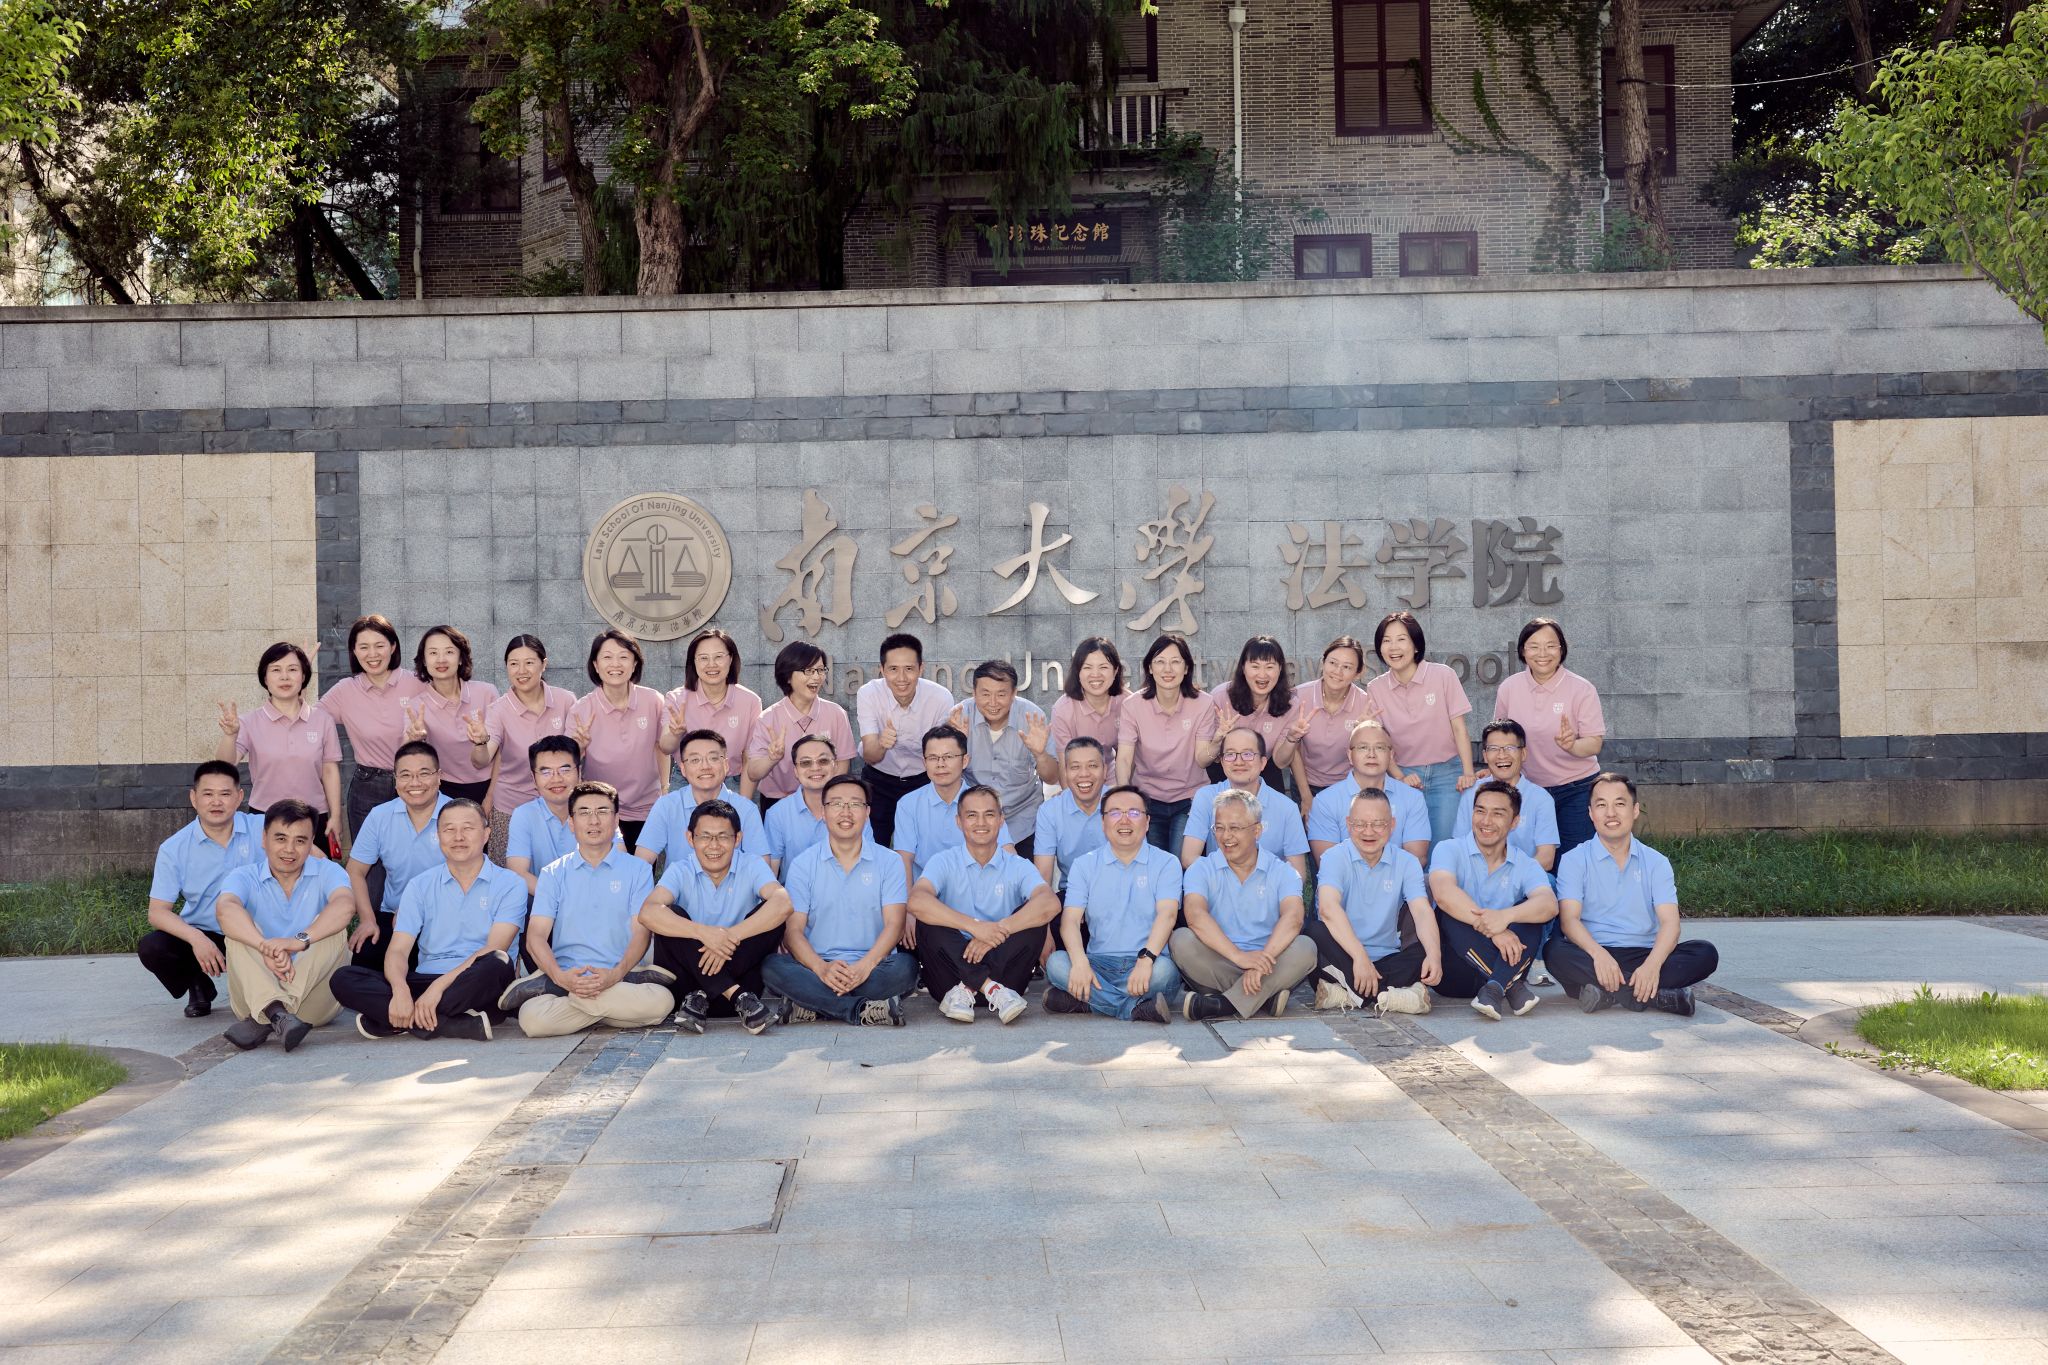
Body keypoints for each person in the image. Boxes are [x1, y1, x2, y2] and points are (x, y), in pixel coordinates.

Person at [330, 800, 524, 1041]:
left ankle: (398, 1020)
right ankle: (450, 1023)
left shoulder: (511, 884)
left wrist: (437, 989)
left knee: (497, 961)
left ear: (486, 834)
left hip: (477, 981)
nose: (458, 837)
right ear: (439, 836)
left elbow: (494, 947)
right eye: (449, 829)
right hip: (426, 979)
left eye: (468, 828)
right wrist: (400, 990)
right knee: (343, 979)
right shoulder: (420, 885)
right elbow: (398, 950)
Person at [498, 781, 677, 1036]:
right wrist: (561, 977)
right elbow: (536, 936)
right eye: (584, 813)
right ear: (572, 823)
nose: (594, 820)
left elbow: (641, 933)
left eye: (602, 811)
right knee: (531, 1020)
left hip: (621, 974)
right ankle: (611, 1011)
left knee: (662, 1002)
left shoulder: (637, 870)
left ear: (616, 820)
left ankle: (572, 1001)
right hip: (569, 975)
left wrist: (614, 975)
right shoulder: (553, 873)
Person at [1545, 772, 1719, 1016]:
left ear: (1635, 810)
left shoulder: (1656, 862)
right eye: (1601, 805)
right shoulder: (1574, 860)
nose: (1610, 813)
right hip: (1593, 954)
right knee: (1554, 952)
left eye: (1619, 804)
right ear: (1591, 813)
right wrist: (1599, 955)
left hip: (1643, 952)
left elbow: (1670, 923)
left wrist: (1652, 966)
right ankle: (1656, 997)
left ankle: (1607, 993)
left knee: (1705, 953)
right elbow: (1569, 921)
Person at [763, 775, 918, 1026]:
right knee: (772, 967)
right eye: (836, 804)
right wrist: (822, 969)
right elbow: (793, 932)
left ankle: (813, 1004)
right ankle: (860, 1009)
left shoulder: (889, 862)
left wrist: (863, 968)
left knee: (906, 968)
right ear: (824, 812)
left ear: (867, 812)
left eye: (855, 804)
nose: (846, 812)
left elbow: (895, 925)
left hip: (873, 965)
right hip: (816, 966)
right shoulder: (803, 864)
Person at [909, 786, 1059, 1023]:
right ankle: (989, 988)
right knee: (928, 915)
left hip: (1008, 980)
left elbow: (1050, 902)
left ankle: (974, 987)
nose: (981, 822)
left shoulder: (1017, 865)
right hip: (949, 983)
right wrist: (975, 927)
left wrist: (997, 931)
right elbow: (916, 900)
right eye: (972, 815)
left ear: (1001, 820)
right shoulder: (943, 861)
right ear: (959, 821)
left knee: (1032, 913)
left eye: (989, 814)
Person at [639, 800, 791, 1035]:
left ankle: (713, 992)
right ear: (690, 838)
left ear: (737, 839)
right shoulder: (680, 869)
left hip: (732, 985)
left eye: (723, 836)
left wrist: (728, 937)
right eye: (705, 836)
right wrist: (704, 934)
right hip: (705, 995)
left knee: (772, 914)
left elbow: (783, 903)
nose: (714, 845)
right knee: (670, 915)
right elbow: (648, 912)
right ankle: (734, 994)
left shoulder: (751, 864)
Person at [214, 800, 355, 1051]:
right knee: (239, 929)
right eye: (280, 839)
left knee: (332, 930)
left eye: (300, 841)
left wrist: (297, 941)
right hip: (251, 996)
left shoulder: (328, 871)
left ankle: (271, 1014)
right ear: (264, 838)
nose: (289, 850)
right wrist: (265, 947)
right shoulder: (243, 876)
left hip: (313, 1004)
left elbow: (345, 905)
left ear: (311, 843)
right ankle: (278, 1015)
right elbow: (225, 910)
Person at [1173, 790, 1317, 1021]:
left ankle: (1221, 1004)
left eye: (1235, 828)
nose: (1226, 836)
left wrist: (1259, 964)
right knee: (1181, 940)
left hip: (1269, 960)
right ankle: (1264, 996)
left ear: (1257, 831)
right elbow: (1195, 916)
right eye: (1219, 828)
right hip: (1220, 959)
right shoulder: (1201, 869)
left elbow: (1293, 918)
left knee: (1305, 947)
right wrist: (1239, 957)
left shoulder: (1283, 872)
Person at [1043, 785, 1181, 1024]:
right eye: (1115, 813)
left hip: (1148, 962)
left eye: (1134, 813)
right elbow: (1070, 922)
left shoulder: (1167, 863)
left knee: (1165, 973)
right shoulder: (1084, 865)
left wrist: (1146, 960)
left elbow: (1167, 916)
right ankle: (1133, 1008)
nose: (1124, 820)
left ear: (1147, 822)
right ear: (1103, 822)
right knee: (1057, 963)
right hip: (1098, 964)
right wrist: (1080, 963)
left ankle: (1087, 1001)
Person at [139, 761, 264, 1018]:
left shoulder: (263, 828)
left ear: (239, 797)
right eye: (208, 794)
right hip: (207, 932)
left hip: (259, 931)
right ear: (194, 798)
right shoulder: (174, 848)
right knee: (153, 947)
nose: (216, 802)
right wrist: (197, 939)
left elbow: (310, 856)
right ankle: (197, 983)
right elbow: (157, 912)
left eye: (225, 793)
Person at [1428, 780, 1558, 1021]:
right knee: (1449, 912)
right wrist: (1495, 930)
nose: (1486, 821)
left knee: (1531, 915)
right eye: (1480, 811)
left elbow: (1549, 904)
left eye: (1497, 814)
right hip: (1455, 974)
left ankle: (1495, 988)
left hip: (1508, 960)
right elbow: (1443, 893)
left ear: (1514, 822)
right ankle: (1510, 986)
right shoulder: (1449, 849)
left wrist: (1505, 917)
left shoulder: (1525, 863)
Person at [1305, 788, 1438, 1015]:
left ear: (1392, 825)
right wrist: (1360, 957)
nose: (1368, 832)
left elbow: (1422, 911)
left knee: (1427, 950)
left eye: (1378, 824)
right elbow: (1328, 908)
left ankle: (1345, 994)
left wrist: (1435, 956)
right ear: (1348, 824)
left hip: (1387, 956)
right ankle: (1393, 996)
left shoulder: (1407, 862)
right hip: (1342, 954)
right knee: (1314, 931)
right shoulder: (1334, 857)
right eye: (1360, 824)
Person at [321, 614, 425, 879]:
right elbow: (309, 720)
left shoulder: (417, 683)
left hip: (416, 784)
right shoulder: (345, 690)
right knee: (371, 870)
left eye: (379, 645)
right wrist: (298, 676)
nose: (372, 654)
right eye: (363, 647)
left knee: (416, 861)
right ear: (354, 651)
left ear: (393, 646)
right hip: (368, 788)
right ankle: (370, 908)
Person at [1494, 618, 1607, 858]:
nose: (1542, 653)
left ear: (1561, 649)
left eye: (1550, 646)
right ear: (1523, 651)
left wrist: (1572, 745)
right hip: (1527, 789)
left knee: (1573, 861)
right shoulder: (1509, 688)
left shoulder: (1582, 689)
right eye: (1534, 646)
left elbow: (1594, 743)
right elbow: (1500, 738)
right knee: (1531, 858)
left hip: (1575, 789)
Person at [1366, 611, 1476, 852]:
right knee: (1407, 848)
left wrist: (1468, 772)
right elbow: (1382, 742)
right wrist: (1400, 777)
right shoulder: (1376, 688)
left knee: (1443, 847)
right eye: (1386, 640)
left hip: (1447, 774)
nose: (1393, 647)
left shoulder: (1443, 675)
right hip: (1404, 775)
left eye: (1401, 639)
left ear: (1416, 645)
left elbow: (1459, 728)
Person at [216, 641, 343, 850]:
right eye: (276, 670)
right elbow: (224, 767)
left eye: (292, 669)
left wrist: (335, 816)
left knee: (315, 871)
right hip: (264, 816)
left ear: (303, 676)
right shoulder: (249, 722)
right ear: (265, 678)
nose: (285, 677)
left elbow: (330, 771)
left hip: (313, 817)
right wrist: (230, 736)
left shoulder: (322, 720)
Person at [344, 740, 450, 971]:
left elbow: (467, 876)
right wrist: (368, 919)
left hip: (445, 915)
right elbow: (355, 871)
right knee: (360, 968)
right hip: (392, 915)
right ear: (395, 779)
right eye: (405, 775)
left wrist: (416, 907)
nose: (415, 783)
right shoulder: (380, 816)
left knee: (432, 972)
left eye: (424, 774)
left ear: (439, 776)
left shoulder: (457, 815)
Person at [1116, 633, 1223, 854]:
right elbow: (1125, 758)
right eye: (1160, 662)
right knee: (1153, 863)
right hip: (1148, 798)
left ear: (1186, 668)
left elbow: (1202, 760)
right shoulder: (1132, 705)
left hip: (1189, 799)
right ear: (1150, 668)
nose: (1168, 669)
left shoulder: (1203, 703)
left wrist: (1218, 740)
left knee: (1181, 861)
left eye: (1175, 662)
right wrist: (1125, 797)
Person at [471, 635, 574, 862]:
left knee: (561, 870)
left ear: (543, 664)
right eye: (514, 663)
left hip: (559, 805)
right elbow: (483, 758)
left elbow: (575, 755)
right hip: (512, 807)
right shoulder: (498, 709)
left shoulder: (566, 700)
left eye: (529, 662)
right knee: (512, 875)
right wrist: (479, 742)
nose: (521, 670)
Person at [568, 628, 668, 850]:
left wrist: (665, 788)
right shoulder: (581, 709)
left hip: (646, 807)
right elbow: (569, 765)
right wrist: (579, 748)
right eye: (607, 657)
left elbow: (661, 747)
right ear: (595, 665)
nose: (615, 664)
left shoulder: (653, 700)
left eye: (623, 657)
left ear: (635, 664)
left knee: (643, 867)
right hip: (601, 810)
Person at [855, 632, 955, 846]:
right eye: (893, 669)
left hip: (922, 780)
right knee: (873, 845)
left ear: (921, 668)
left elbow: (941, 753)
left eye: (909, 668)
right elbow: (870, 755)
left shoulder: (940, 697)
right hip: (879, 779)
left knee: (924, 845)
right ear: (882, 670)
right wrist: (882, 744)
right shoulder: (868, 694)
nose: (901, 678)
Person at [951, 660, 1058, 859]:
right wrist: (956, 747)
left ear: (1014, 693)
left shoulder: (1032, 717)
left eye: (1001, 694)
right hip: (975, 821)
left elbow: (1052, 777)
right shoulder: (959, 717)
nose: (993, 702)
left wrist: (1040, 753)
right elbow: (946, 776)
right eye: (985, 694)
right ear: (974, 693)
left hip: (1023, 820)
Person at [1181, 728, 1309, 880]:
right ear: (1222, 762)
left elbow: (1298, 874)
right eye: (1230, 754)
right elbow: (1189, 858)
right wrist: (1233, 880)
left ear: (1262, 763)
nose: (1239, 761)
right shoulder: (1206, 797)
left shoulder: (1287, 808)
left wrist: (1254, 884)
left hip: (1268, 889)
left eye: (1247, 754)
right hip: (1219, 886)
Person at [892, 725, 1013, 883]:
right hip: (926, 890)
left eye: (948, 757)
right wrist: (911, 898)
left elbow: (1007, 852)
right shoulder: (908, 804)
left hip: (976, 888)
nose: (940, 764)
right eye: (933, 758)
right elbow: (904, 860)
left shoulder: (985, 802)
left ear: (965, 761)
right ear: (924, 762)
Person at [636, 730, 769, 870]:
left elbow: (762, 869)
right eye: (695, 760)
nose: (705, 766)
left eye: (713, 758)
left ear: (726, 765)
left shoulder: (746, 809)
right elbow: (641, 862)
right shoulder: (667, 806)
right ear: (683, 769)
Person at [1306, 720, 1432, 865]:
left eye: (1380, 747)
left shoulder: (1412, 798)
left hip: (1399, 879)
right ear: (1350, 755)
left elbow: (1416, 858)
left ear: (1391, 755)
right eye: (1363, 747)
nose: (1371, 754)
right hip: (1345, 880)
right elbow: (1328, 863)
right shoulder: (1325, 801)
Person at [745, 641, 853, 809]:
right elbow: (753, 773)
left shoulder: (836, 714)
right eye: (808, 671)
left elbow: (843, 764)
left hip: (824, 800)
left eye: (820, 670)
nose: (816, 677)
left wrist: (825, 798)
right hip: (778, 802)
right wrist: (771, 759)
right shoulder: (768, 718)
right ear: (788, 676)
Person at [1282, 636, 1376, 813]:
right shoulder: (1300, 696)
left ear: (1358, 673)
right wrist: (1306, 797)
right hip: (1305, 783)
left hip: (1347, 786)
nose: (1337, 672)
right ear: (1323, 663)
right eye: (1333, 663)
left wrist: (1364, 734)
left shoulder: (1365, 704)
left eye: (1347, 667)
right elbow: (1294, 751)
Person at [662, 628, 762, 794]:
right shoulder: (677, 698)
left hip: (733, 780)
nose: (711, 664)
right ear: (693, 662)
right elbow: (666, 747)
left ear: (731, 659)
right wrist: (675, 734)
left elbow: (749, 757)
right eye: (703, 658)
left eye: (718, 657)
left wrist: (743, 802)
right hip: (687, 780)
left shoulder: (750, 701)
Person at [1452, 721, 1560, 873]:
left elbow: (1546, 859)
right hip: (1477, 876)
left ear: (1523, 753)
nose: (1502, 755)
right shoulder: (1471, 793)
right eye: (1493, 749)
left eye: (1510, 748)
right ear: (1484, 756)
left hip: (1523, 877)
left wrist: (1505, 878)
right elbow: (1459, 847)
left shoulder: (1541, 799)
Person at [505, 737, 608, 895]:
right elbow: (518, 871)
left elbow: (618, 862)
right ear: (533, 778)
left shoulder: (600, 811)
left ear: (579, 772)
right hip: (541, 901)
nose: (556, 779)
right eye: (546, 772)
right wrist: (559, 899)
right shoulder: (524, 815)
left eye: (565, 770)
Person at [407, 625, 498, 804]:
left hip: (489, 786)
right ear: (424, 660)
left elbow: (497, 755)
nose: (441, 659)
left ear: (461, 658)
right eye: (433, 653)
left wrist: (491, 796)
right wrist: (414, 740)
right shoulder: (416, 706)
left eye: (449, 652)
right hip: (443, 789)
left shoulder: (487, 693)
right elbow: (407, 751)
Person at [1208, 635, 1300, 789]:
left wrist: (1291, 739)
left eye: (1269, 667)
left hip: (1264, 768)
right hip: (1224, 769)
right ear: (1243, 668)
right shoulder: (1220, 696)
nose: (1262, 674)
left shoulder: (1291, 704)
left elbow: (1280, 762)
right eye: (1255, 666)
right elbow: (1211, 754)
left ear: (1280, 669)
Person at [1033, 737, 1110, 895]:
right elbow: (1043, 877)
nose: (1084, 774)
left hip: (1118, 892)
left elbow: (1135, 867)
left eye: (1092, 766)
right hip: (1072, 892)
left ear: (1105, 771)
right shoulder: (1050, 811)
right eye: (1075, 767)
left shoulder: (1123, 805)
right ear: (1065, 772)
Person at [1050, 636, 1126, 781]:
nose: (1095, 674)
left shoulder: (1127, 703)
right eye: (1087, 667)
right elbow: (1066, 767)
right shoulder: (1062, 710)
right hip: (1080, 779)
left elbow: (1128, 757)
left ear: (1115, 671)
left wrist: (1121, 790)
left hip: (1114, 776)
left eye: (1103, 667)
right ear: (1078, 672)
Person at [763, 735, 840, 873]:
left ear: (835, 766)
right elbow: (770, 873)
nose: (815, 767)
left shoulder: (854, 808)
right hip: (793, 887)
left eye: (823, 760)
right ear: (796, 772)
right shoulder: (777, 814)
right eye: (806, 763)